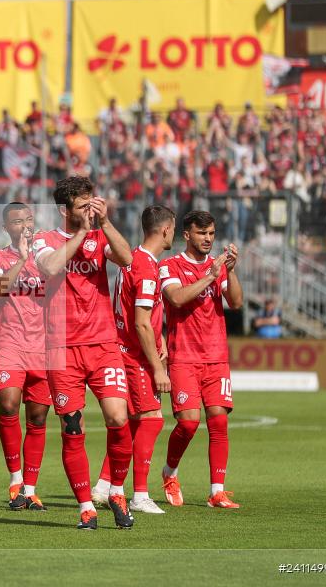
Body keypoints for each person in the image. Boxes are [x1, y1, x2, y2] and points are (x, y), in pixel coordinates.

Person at [32, 175, 135, 530]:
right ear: (64, 209)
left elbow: (126, 259)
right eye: (82, 206)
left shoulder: (99, 234)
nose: (89, 211)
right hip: (61, 348)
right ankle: (86, 507)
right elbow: (49, 266)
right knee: (72, 427)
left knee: (119, 419)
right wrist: (81, 233)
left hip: (103, 344)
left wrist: (103, 223)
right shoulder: (44, 239)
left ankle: (117, 490)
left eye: (93, 204)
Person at [91, 205, 176, 515]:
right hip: (134, 355)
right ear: (166, 230)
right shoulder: (147, 267)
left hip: (121, 349)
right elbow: (140, 322)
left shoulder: (130, 258)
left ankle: (102, 485)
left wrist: (160, 334)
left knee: (126, 423)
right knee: (151, 421)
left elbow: (143, 314)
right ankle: (139, 495)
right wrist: (157, 368)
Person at [159, 211, 243, 509]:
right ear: (186, 234)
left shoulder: (217, 268)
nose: (208, 239)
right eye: (201, 233)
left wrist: (229, 271)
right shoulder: (169, 266)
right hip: (183, 356)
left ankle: (217, 491)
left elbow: (235, 302)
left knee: (219, 421)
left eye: (211, 233)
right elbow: (177, 298)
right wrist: (210, 274)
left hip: (216, 356)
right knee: (189, 424)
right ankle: (170, 472)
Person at [0, 202, 51, 511]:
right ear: (6, 228)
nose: (24, 225)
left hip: (44, 349)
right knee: (9, 404)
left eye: (27, 219)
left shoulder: (48, 258)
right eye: (16, 221)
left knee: (37, 417)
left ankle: (31, 488)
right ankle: (15, 480)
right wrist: (22, 259)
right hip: (11, 345)